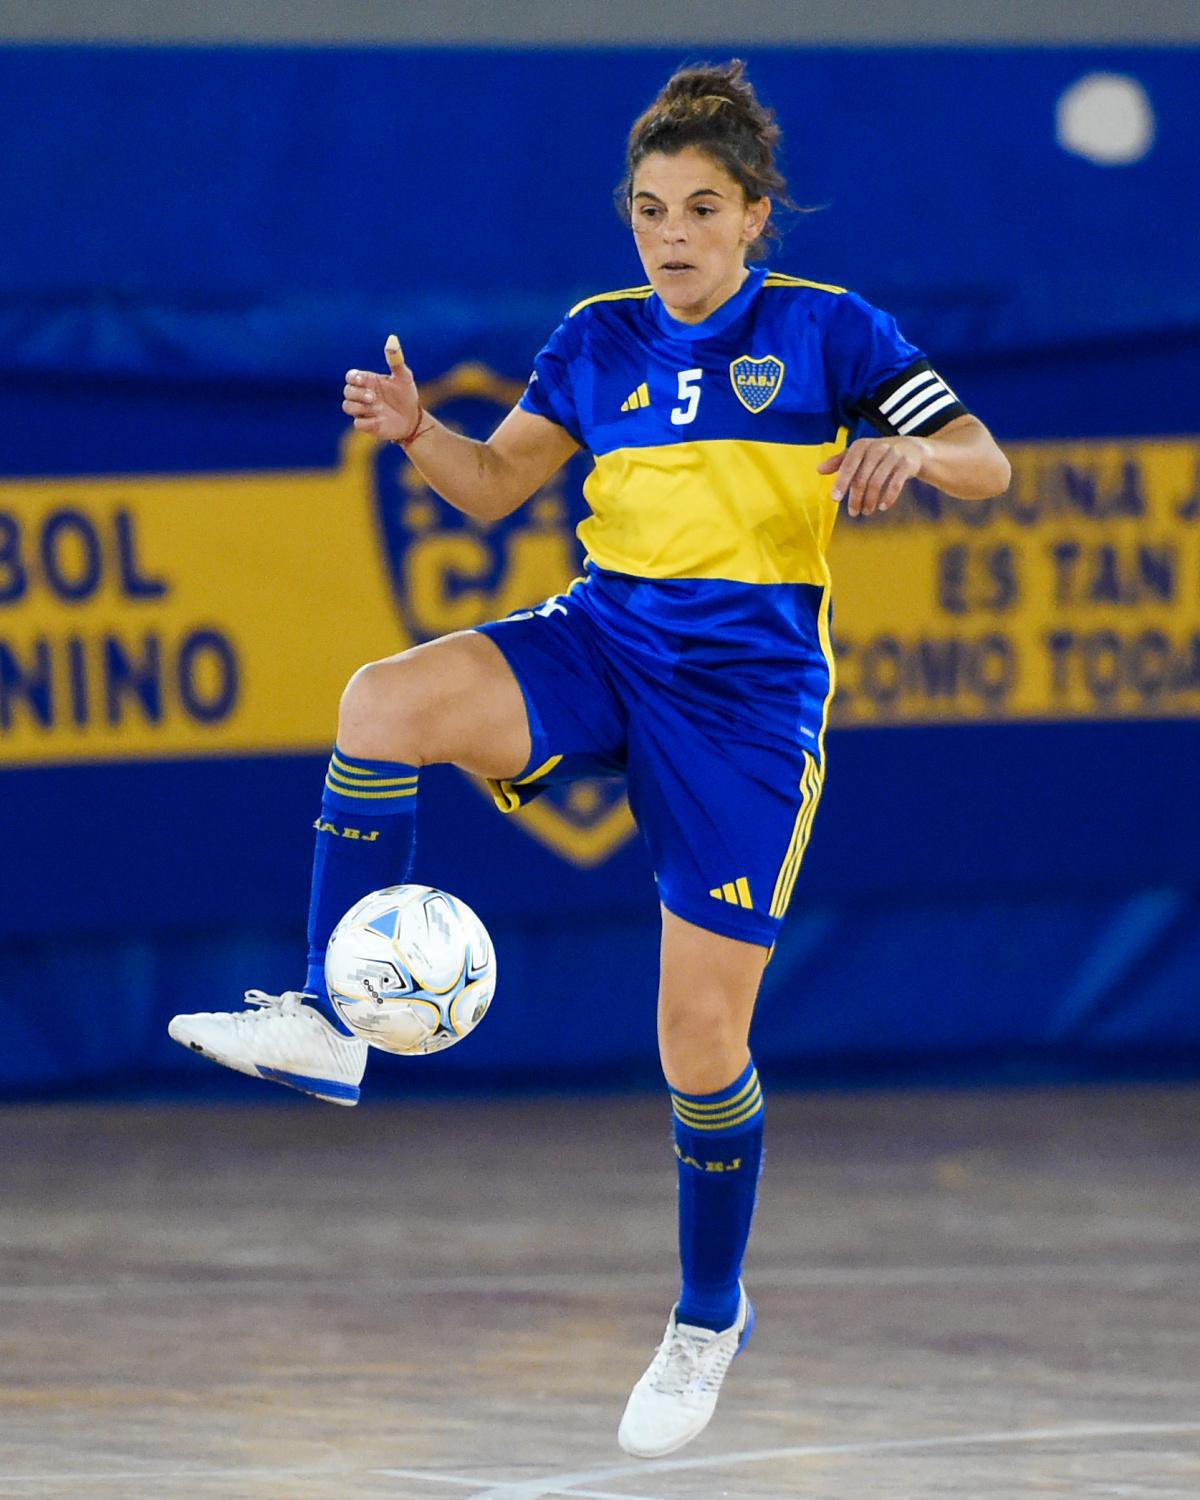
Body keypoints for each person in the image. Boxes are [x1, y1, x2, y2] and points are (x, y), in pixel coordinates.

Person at [169, 60, 1010, 1457]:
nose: (669, 235)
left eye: (698, 209)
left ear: (753, 218)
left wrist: (915, 462)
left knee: (699, 1040)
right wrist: (415, 430)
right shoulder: (597, 338)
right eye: (646, 210)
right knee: (381, 701)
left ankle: (707, 1312)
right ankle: (328, 1021)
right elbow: (499, 484)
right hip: (604, 636)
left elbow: (986, 457)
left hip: (745, 701)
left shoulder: (830, 333)